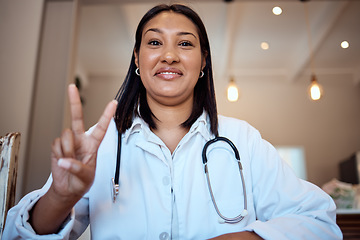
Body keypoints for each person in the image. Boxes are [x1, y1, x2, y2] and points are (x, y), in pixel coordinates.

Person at [3, 4, 342, 240]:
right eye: (154, 42)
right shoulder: (101, 142)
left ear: (203, 60)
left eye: (184, 43)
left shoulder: (244, 140)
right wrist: (61, 197)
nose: (169, 55)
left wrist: (242, 237)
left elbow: (320, 222)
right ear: (137, 58)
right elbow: (14, 237)